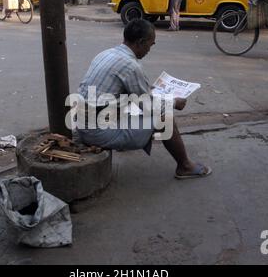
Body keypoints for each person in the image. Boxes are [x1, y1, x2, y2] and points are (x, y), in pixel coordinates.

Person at [76, 19, 212, 179]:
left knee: (139, 105)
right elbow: (149, 106)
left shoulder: (106, 54)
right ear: (141, 42)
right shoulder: (130, 66)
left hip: (84, 121)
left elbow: (134, 94)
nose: (150, 49)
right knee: (164, 118)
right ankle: (185, 166)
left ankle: (127, 138)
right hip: (95, 131)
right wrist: (174, 102)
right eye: (150, 44)